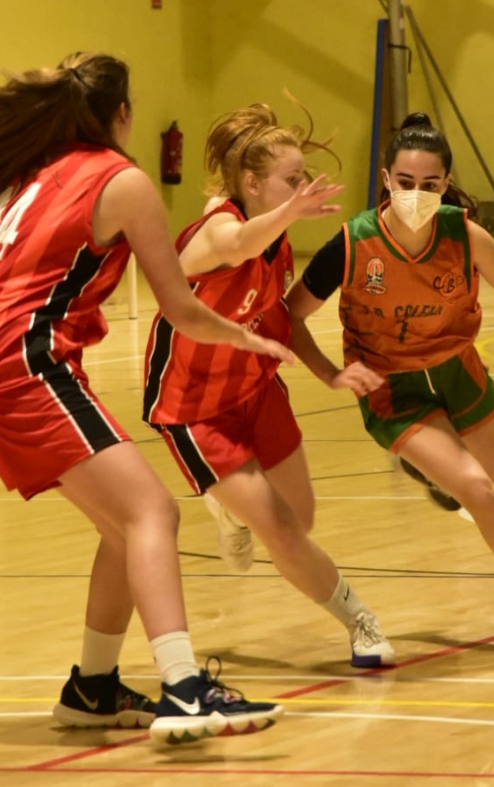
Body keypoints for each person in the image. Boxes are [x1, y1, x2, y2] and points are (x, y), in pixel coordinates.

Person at [0, 52, 288, 745]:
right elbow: (182, 309)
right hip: (24, 359)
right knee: (154, 509)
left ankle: (93, 687)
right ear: (121, 114)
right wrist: (249, 340)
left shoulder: (20, 171)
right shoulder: (122, 182)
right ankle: (185, 688)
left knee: (123, 525)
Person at [284, 113, 494, 657]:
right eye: (404, 183)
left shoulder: (463, 234)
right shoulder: (352, 244)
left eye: (429, 185)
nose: (416, 194)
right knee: (479, 493)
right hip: (394, 391)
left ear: (446, 185)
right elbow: (288, 316)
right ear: (386, 180)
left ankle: (433, 471)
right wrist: (331, 374)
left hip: (459, 372)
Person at [142, 102, 395, 668]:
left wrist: (332, 373)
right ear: (251, 183)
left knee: (299, 518)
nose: (303, 189)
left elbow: (281, 316)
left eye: (304, 178)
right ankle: (361, 621)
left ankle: (230, 511)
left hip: (256, 389)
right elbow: (236, 246)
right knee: (281, 530)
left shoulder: (274, 240)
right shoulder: (219, 231)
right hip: (195, 408)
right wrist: (291, 213)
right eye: (293, 180)